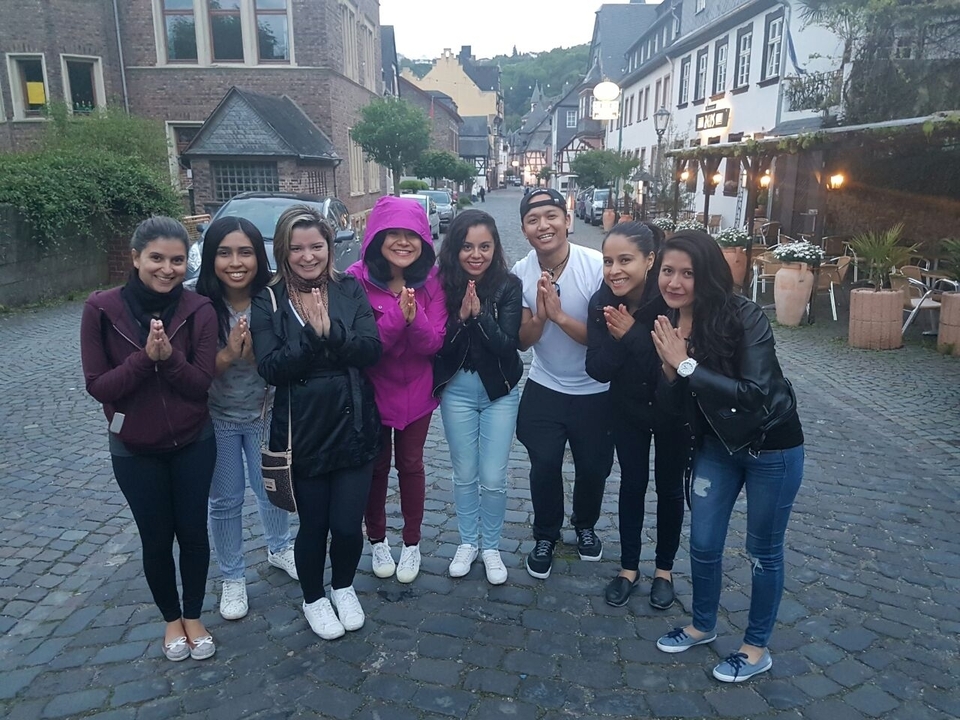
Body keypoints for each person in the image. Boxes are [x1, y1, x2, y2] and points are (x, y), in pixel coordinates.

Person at [651, 230, 804, 683]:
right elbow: (673, 406)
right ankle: (702, 625)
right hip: (716, 446)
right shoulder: (670, 321)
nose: (674, 282)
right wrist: (670, 371)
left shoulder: (745, 316)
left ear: (708, 276)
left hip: (770, 446)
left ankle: (755, 649)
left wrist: (685, 365)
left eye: (687, 273)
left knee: (762, 552)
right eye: (667, 271)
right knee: (703, 542)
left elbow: (755, 393)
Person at [80, 217, 219, 662]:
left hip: (193, 440)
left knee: (193, 532)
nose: (167, 268)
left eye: (177, 260)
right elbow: (99, 386)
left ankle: (193, 615)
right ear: (136, 257)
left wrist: (169, 359)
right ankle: (171, 619)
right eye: (156, 258)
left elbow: (200, 384)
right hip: (134, 448)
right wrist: (145, 359)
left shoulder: (198, 309)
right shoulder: (101, 309)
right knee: (156, 537)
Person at [250, 206, 382, 641]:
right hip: (302, 431)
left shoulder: (349, 288)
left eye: (316, 246)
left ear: (329, 246)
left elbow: (371, 350)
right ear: (283, 252)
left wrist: (334, 333)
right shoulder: (269, 299)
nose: (308, 256)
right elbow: (270, 367)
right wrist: (311, 336)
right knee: (314, 526)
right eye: (297, 248)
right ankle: (313, 598)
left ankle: (343, 587)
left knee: (347, 524)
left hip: (353, 422)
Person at [195, 216, 297, 623]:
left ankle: (279, 547)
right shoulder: (198, 303)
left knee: (271, 487)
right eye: (224, 253)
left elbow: (288, 360)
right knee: (224, 499)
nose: (235, 262)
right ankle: (233, 576)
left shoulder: (273, 298)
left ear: (259, 256)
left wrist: (258, 356)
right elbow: (189, 372)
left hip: (264, 412)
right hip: (216, 416)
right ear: (210, 257)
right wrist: (226, 356)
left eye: (245, 252)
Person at [512, 188, 614, 579]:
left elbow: (604, 341)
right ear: (524, 230)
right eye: (533, 219)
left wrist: (559, 317)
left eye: (551, 216)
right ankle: (545, 534)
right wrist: (541, 317)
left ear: (567, 221)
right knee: (544, 465)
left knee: (593, 467)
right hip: (546, 384)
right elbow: (523, 341)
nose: (544, 225)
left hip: (596, 390)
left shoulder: (596, 267)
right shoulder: (521, 272)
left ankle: (585, 525)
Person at [346, 196, 447, 584]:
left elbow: (432, 343)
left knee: (411, 465)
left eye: (412, 235)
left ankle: (412, 542)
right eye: (394, 234)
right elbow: (363, 346)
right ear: (377, 237)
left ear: (424, 240)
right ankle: (377, 539)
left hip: (417, 393)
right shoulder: (355, 279)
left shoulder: (433, 282)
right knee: (375, 467)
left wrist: (413, 316)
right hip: (371, 393)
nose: (403, 242)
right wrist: (395, 317)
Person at [585, 221, 685, 609]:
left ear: (650, 260)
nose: (615, 270)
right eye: (608, 261)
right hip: (626, 408)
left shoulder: (672, 300)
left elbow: (672, 367)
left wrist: (632, 335)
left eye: (625, 260)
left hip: (672, 407)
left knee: (670, 488)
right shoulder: (602, 303)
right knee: (632, 484)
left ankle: (664, 570)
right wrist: (621, 338)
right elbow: (597, 368)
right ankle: (629, 568)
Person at [434, 210, 523, 585]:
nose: (476, 254)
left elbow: (507, 345)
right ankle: (468, 542)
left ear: (495, 247)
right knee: (465, 472)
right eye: (467, 246)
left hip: (499, 391)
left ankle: (491, 547)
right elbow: (438, 348)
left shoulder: (508, 285)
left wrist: (478, 317)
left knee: (493, 476)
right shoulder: (441, 284)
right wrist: (460, 318)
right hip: (457, 391)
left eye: (484, 246)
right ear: (455, 248)